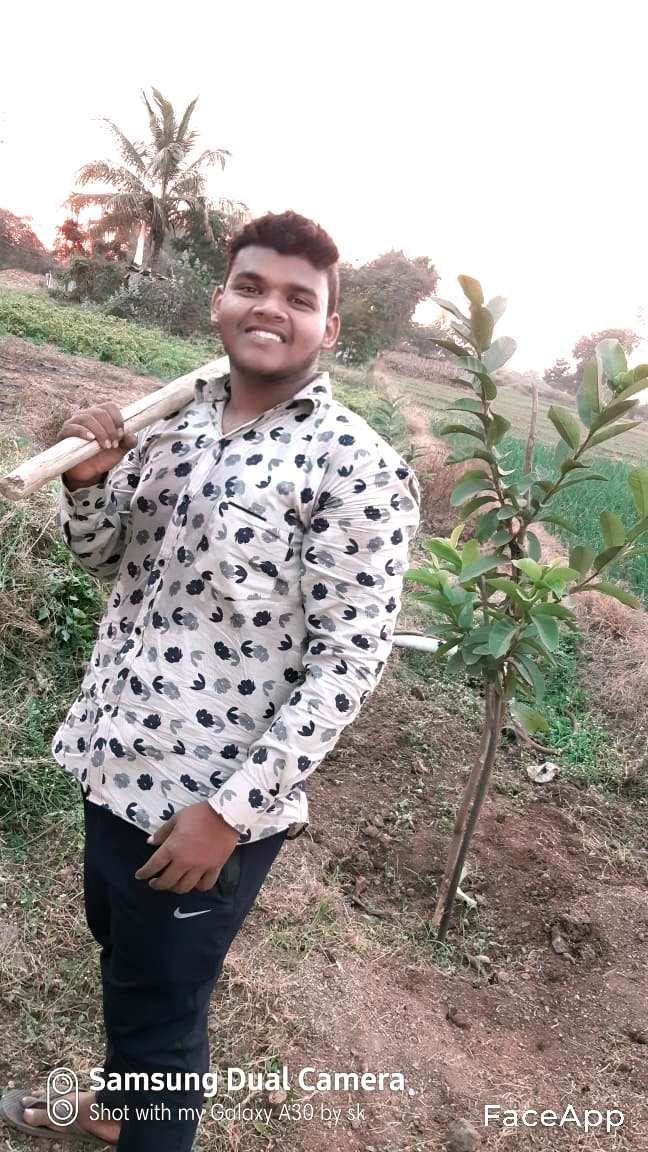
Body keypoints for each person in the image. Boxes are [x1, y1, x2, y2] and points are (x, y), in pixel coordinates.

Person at [0, 210, 420, 1151]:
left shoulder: (356, 465)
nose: (270, 309)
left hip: (200, 809)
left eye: (298, 299)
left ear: (329, 328)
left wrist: (227, 816)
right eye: (251, 287)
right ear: (219, 299)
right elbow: (106, 559)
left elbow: (348, 663)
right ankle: (123, 1107)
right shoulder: (173, 423)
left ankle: (145, 1116)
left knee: (165, 1015)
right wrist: (87, 483)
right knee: (129, 964)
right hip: (111, 760)